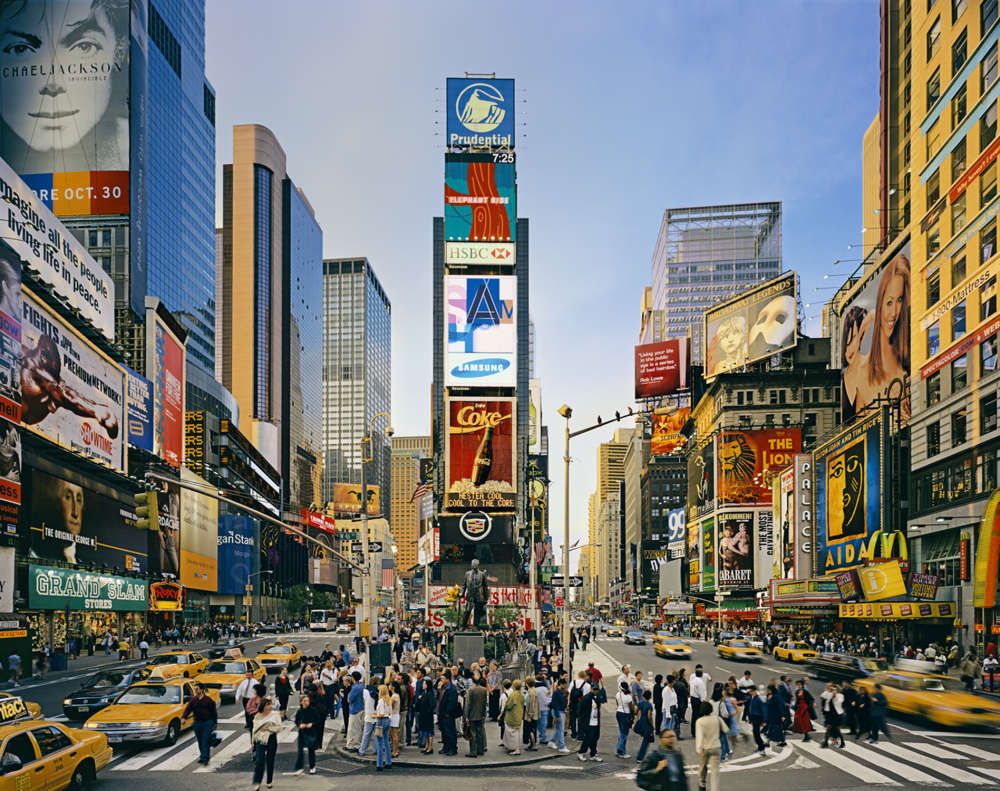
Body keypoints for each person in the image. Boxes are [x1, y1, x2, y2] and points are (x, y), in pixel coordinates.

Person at [182, 683, 217, 766]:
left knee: (205, 739)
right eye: (195, 689)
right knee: (200, 740)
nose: (195, 690)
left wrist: (215, 722)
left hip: (207, 722)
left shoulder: (208, 700)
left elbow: (214, 712)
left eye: (197, 689)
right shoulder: (193, 700)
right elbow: (188, 709)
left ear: (202, 690)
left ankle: (205, 758)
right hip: (197, 723)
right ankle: (203, 756)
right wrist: (184, 717)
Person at [251, 698, 281, 790]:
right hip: (260, 739)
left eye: (270, 704)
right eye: (268, 705)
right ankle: (257, 782)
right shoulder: (257, 716)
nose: (270, 706)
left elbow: (279, 728)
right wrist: (253, 742)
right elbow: (254, 730)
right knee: (259, 761)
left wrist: (268, 729)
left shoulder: (275, 715)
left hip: (271, 738)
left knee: (270, 760)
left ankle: (269, 781)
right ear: (263, 706)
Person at [695, 701, 723, 791]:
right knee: (714, 772)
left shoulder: (699, 721)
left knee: (702, 768)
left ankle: (702, 785)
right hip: (715, 747)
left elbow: (699, 736)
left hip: (704, 748)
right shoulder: (717, 719)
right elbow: (726, 729)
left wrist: (698, 748)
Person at [577, 677, 606, 762]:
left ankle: (593, 754)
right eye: (594, 689)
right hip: (588, 722)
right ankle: (581, 752)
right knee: (588, 738)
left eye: (597, 689)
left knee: (595, 738)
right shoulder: (587, 698)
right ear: (591, 689)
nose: (596, 690)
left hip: (595, 721)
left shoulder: (597, 697)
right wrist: (582, 721)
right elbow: (580, 710)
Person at [293, 694, 320, 774]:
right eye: (304, 701)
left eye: (307, 701)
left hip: (311, 732)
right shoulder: (299, 711)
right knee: (300, 750)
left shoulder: (313, 710)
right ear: (301, 702)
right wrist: (299, 725)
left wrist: (312, 724)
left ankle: (312, 766)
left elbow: (318, 720)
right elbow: (296, 720)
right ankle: (300, 767)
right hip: (302, 732)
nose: (306, 702)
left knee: (311, 750)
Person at [465, 675, 488, 758]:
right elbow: (485, 702)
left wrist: (466, 716)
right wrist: (484, 713)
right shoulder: (484, 690)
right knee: (479, 733)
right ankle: (480, 750)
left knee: (472, 733)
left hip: (472, 715)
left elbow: (468, 704)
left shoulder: (470, 690)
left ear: (473, 681)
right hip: (480, 714)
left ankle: (473, 751)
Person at [438, 669, 460, 755]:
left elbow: (452, 703)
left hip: (448, 715)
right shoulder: (443, 687)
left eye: (443, 679)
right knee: (444, 731)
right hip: (442, 714)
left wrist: (447, 713)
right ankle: (446, 746)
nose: (441, 680)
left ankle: (453, 748)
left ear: (448, 679)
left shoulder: (452, 689)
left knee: (450, 731)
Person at [502, 678, 525, 755]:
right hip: (519, 714)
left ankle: (515, 748)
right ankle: (517, 747)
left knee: (512, 733)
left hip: (512, 716)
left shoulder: (513, 695)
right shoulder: (521, 695)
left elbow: (508, 705)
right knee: (518, 732)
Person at [548, 677, 570, 753]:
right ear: (561, 684)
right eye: (564, 684)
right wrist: (557, 716)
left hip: (558, 711)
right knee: (561, 729)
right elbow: (555, 705)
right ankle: (561, 746)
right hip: (557, 712)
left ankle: (551, 742)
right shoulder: (557, 693)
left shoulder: (559, 692)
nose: (565, 686)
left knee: (558, 728)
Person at [415, 675, 436, 754]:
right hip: (423, 715)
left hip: (428, 716)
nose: (423, 685)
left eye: (424, 684)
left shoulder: (430, 694)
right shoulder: (424, 693)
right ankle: (426, 746)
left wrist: (427, 712)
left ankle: (430, 747)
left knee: (429, 732)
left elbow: (432, 705)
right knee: (425, 732)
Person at [820, 682, 845, 749]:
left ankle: (842, 742)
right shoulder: (829, 694)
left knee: (837, 729)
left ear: (837, 690)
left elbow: (839, 702)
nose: (833, 691)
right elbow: (822, 696)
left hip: (837, 715)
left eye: (835, 690)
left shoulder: (840, 695)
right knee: (828, 728)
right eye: (833, 690)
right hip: (830, 714)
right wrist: (828, 691)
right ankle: (825, 743)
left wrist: (835, 696)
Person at [374, 684, 392, 771]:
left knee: (380, 743)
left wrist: (374, 715)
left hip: (381, 721)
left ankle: (379, 764)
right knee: (387, 742)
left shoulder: (381, 701)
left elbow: (380, 714)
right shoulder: (389, 700)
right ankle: (388, 762)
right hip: (388, 720)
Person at [688, 665, 710, 739]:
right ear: (702, 674)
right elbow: (702, 694)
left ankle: (693, 731)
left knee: (694, 715)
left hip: (693, 698)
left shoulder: (693, 680)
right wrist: (704, 701)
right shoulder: (701, 683)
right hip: (698, 700)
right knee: (699, 716)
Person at [615, 680, 634, 759]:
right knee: (624, 733)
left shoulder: (618, 694)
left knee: (621, 732)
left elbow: (617, 704)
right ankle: (621, 750)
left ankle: (620, 750)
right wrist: (633, 715)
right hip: (626, 715)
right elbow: (631, 708)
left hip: (618, 713)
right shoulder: (628, 697)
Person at [635, 689, 656, 763]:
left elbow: (636, 711)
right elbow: (649, 716)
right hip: (647, 724)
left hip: (641, 722)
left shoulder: (640, 703)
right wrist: (652, 725)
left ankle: (640, 756)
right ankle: (640, 757)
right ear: (650, 697)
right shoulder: (649, 705)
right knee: (646, 741)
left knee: (645, 740)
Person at [747, 686, 766, 753]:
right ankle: (760, 746)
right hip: (754, 717)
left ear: (755, 691)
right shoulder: (753, 698)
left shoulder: (758, 699)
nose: (750, 692)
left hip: (757, 717)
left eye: (751, 691)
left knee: (756, 733)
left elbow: (763, 710)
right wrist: (750, 718)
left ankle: (761, 747)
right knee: (755, 733)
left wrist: (764, 721)